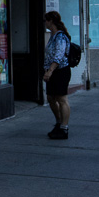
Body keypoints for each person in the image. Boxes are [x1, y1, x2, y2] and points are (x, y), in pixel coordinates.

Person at [43, 11, 72, 140]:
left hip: (60, 71)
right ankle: (59, 122)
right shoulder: (52, 36)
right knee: (50, 98)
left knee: (62, 99)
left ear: (51, 21)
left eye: (45, 21)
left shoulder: (60, 36)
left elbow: (59, 55)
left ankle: (64, 128)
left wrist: (50, 71)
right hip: (52, 71)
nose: (44, 23)